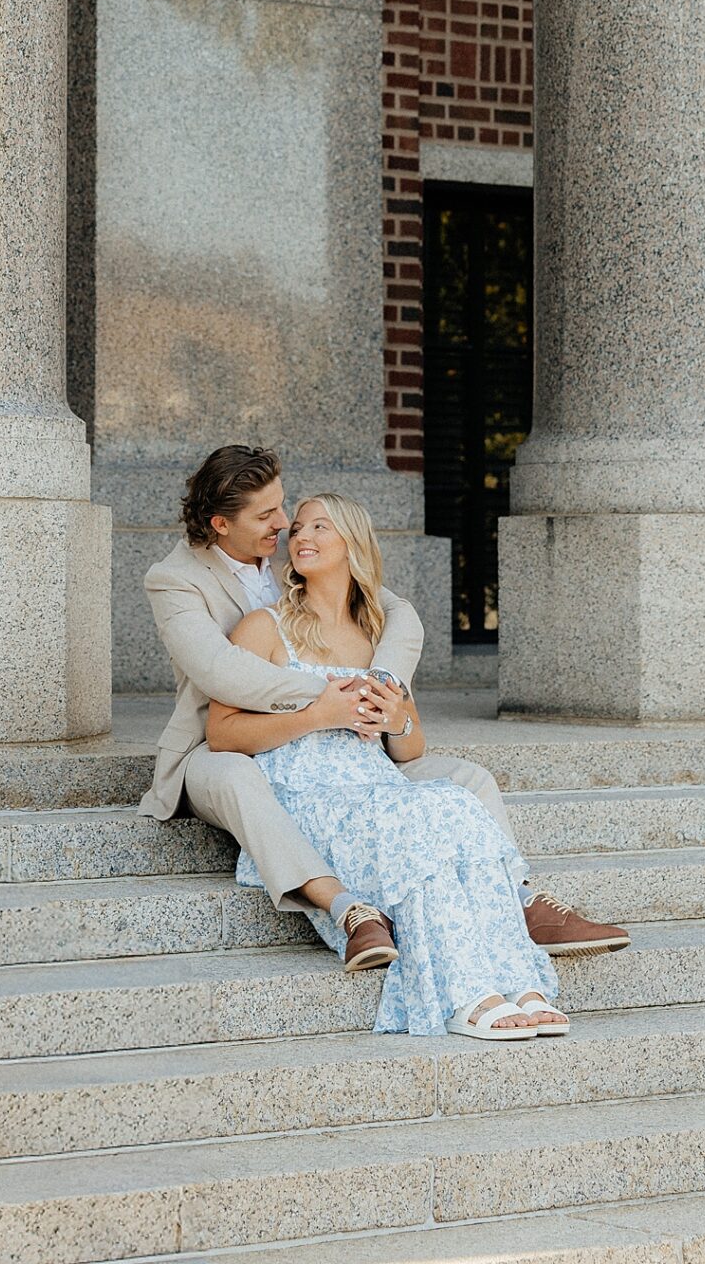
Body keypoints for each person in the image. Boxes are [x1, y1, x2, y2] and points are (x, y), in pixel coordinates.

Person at [139, 443, 628, 980]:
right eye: (269, 515)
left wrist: (385, 694)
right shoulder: (176, 579)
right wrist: (327, 697)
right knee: (236, 775)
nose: (286, 524)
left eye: (290, 512)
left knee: (466, 779)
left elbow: (392, 608)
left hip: (342, 741)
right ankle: (343, 905)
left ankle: (523, 897)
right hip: (215, 746)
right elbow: (219, 672)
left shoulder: (292, 561)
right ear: (220, 524)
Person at [212, 492, 564, 1037]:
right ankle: (467, 996)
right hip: (311, 798)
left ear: (353, 543)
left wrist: (395, 719)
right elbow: (222, 732)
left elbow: (411, 749)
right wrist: (317, 714)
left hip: (377, 789)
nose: (301, 536)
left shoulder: (377, 637)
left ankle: (519, 983)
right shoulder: (265, 627)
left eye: (320, 527)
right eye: (298, 527)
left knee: (450, 803)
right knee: (422, 822)